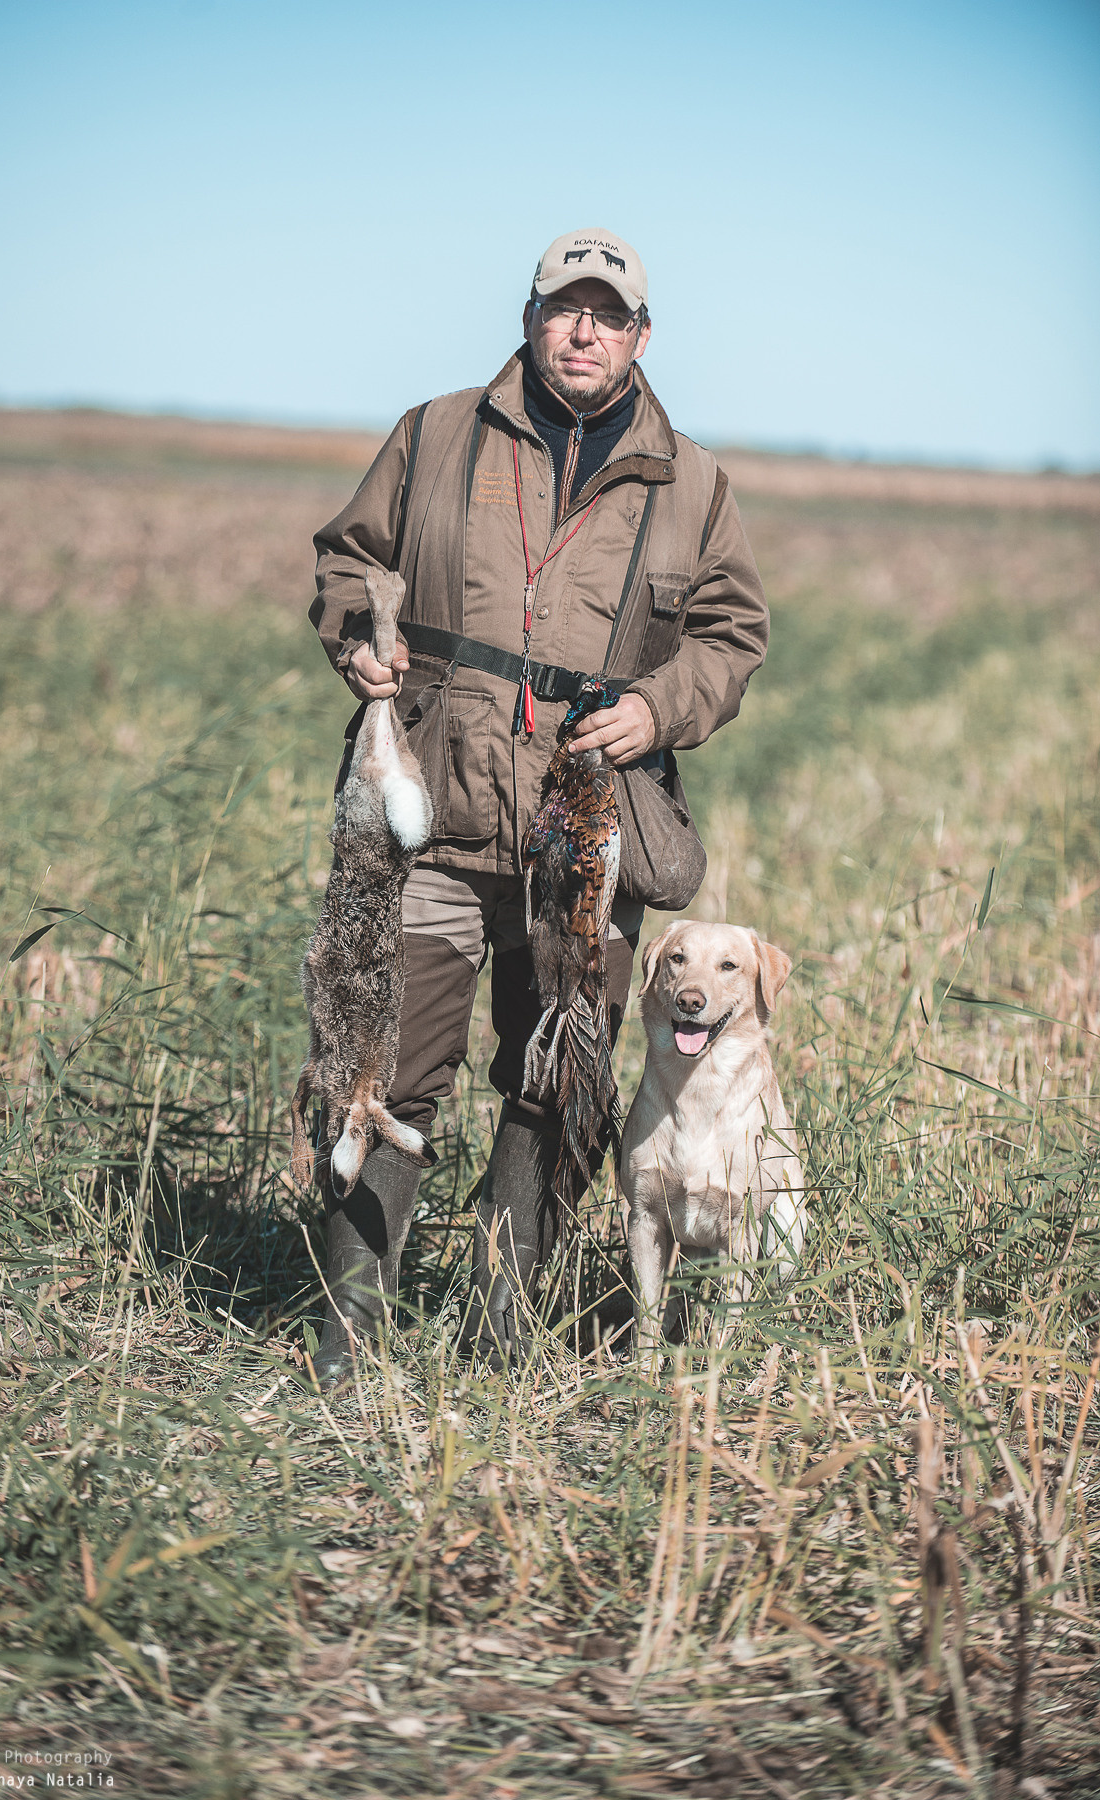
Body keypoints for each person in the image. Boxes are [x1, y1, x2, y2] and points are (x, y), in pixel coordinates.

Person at [305, 228, 769, 1385]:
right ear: (529, 318)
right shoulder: (435, 434)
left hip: (585, 835)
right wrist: (359, 639)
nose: (583, 331)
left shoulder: (692, 483)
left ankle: (500, 1335)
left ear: (641, 337)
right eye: (566, 307)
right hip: (428, 820)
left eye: (608, 314)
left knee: (559, 1079)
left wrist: (657, 709)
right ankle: (347, 1344)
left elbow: (730, 637)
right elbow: (348, 562)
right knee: (378, 1073)